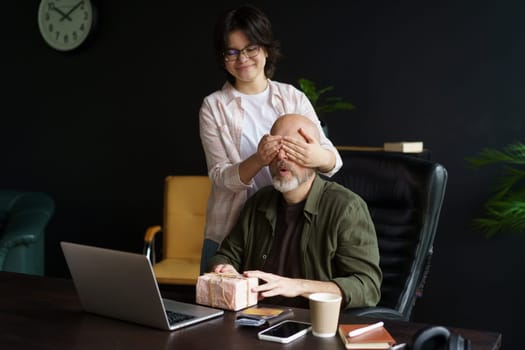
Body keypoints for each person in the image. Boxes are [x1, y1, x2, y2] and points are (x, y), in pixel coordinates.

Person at [199, 4, 343, 273]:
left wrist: (315, 156)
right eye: (232, 52)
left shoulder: (292, 98)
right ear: (223, 58)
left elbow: (333, 161)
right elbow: (219, 177)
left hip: (287, 230)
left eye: (250, 48)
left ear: (265, 49)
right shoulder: (214, 106)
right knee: (218, 311)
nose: (242, 58)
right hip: (232, 234)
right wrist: (258, 159)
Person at [208, 114, 382, 310]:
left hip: (312, 325)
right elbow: (224, 256)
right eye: (276, 148)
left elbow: (368, 287)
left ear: (314, 155)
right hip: (255, 319)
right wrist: (225, 269)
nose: (282, 157)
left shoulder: (346, 208)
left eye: (293, 149)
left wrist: (297, 286)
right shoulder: (258, 202)